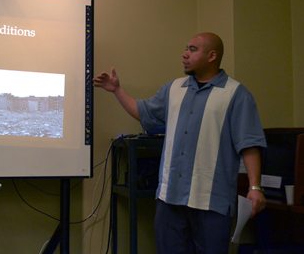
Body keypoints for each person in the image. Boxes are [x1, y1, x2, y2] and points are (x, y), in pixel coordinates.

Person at [93, 32, 266, 254]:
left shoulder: (236, 94)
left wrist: (254, 187)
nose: (185, 55)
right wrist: (117, 90)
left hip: (212, 202)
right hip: (170, 199)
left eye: (192, 50)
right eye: (186, 49)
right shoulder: (174, 89)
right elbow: (143, 112)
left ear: (212, 55)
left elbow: (249, 144)